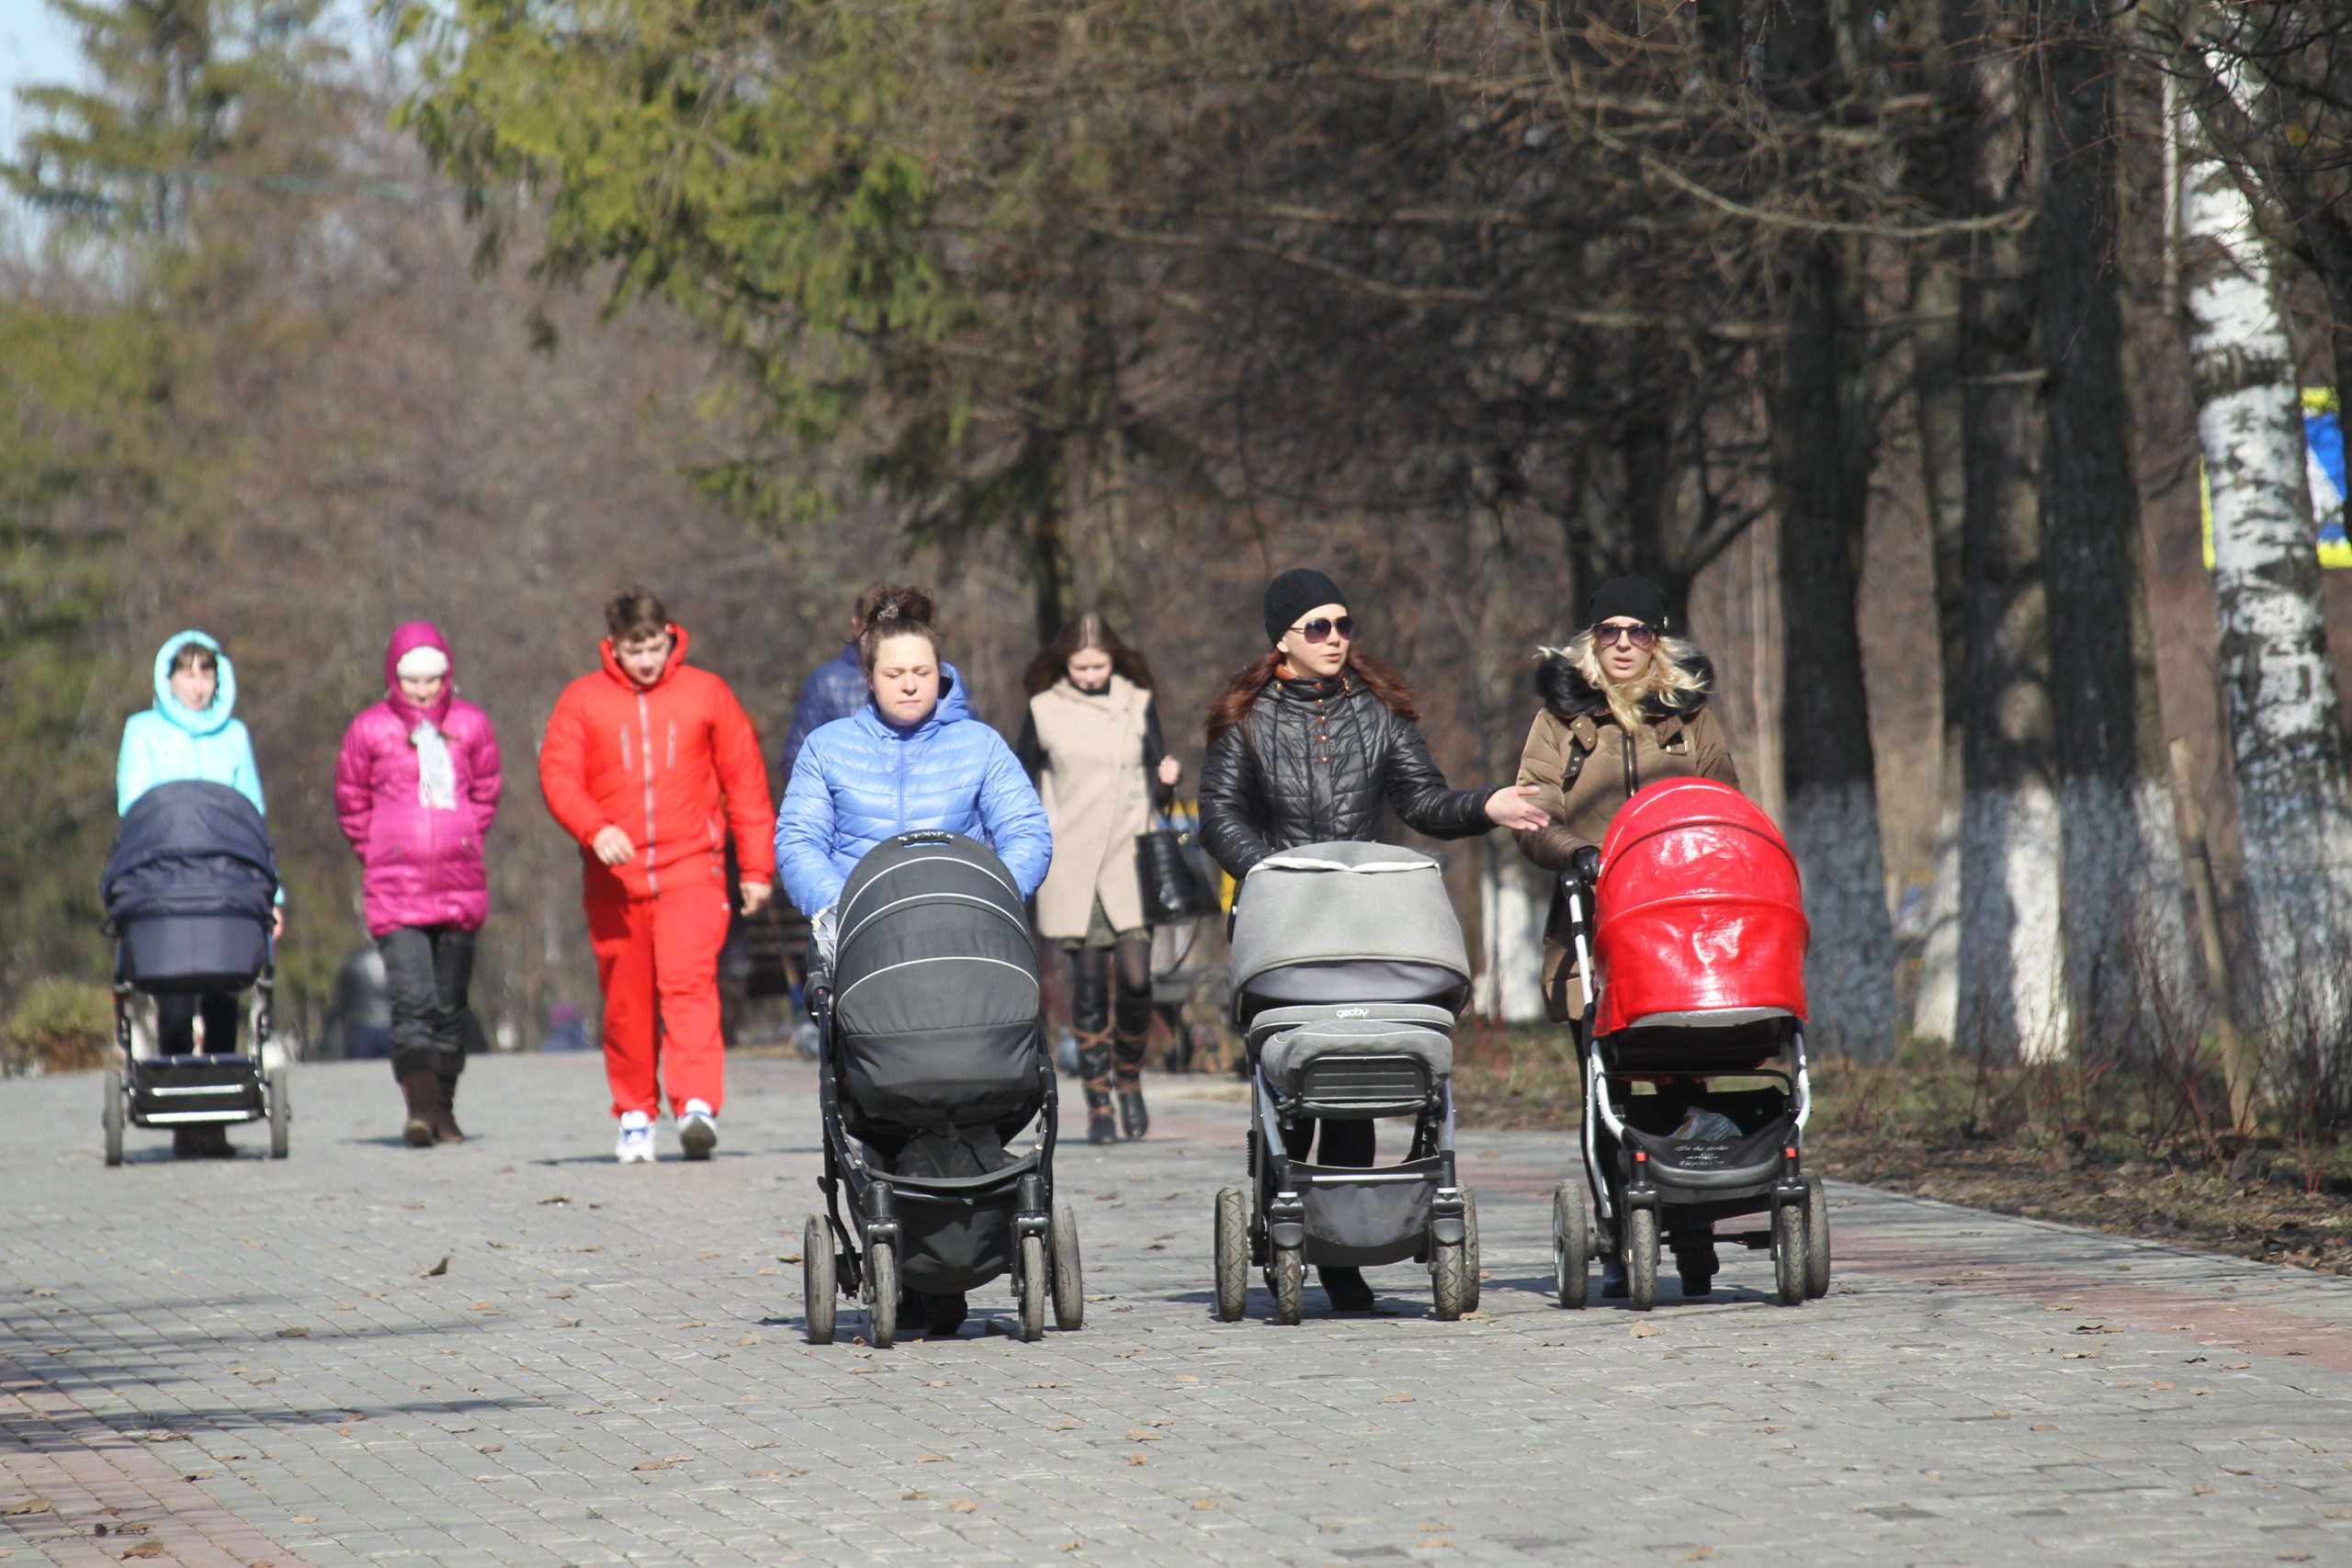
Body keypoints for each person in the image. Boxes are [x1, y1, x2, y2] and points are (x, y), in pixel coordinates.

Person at [1199, 568, 1547, 1312]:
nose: (1335, 639)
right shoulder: (1245, 719)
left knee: (1355, 1078)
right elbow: (1219, 817)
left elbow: (1421, 798)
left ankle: (1344, 1252)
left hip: (1367, 926)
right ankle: (1292, 1221)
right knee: (1295, 1096)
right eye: (1318, 627)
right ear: (1284, 640)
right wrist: (1273, 875)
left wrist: (1489, 802)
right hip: (1287, 930)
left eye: (1343, 624)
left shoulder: (1378, 713)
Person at [775, 584, 1050, 1338]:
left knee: (977, 1073)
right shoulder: (831, 749)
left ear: (941, 671)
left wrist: (990, 891)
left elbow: (1025, 830)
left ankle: (962, 1225)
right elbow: (797, 840)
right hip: (865, 949)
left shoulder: (979, 747)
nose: (907, 684)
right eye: (893, 673)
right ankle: (911, 1235)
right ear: (868, 674)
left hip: (963, 943)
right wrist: (848, 906)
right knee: (875, 1089)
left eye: (921, 672)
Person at [1513, 572, 1739, 1295]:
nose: (1621, 643)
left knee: (1681, 1078)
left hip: (1682, 932)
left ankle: (1695, 1235)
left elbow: (1725, 802)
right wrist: (1575, 851)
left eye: (1636, 631)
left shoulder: (1691, 717)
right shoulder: (1560, 720)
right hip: (1592, 924)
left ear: (1657, 639)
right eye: (1607, 631)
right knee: (1605, 1086)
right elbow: (1533, 811)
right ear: (1590, 639)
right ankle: (1620, 1232)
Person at [540, 590, 776, 1164]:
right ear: (613, 646)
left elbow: (744, 782)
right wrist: (595, 830)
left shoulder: (707, 693)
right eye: (633, 648)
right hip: (613, 880)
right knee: (627, 1003)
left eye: (654, 645)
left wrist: (757, 867)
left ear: (670, 635)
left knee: (689, 986)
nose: (645, 658)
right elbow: (558, 775)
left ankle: (696, 1104)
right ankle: (636, 1114)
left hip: (692, 867)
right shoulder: (582, 700)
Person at [116, 630, 284, 1158]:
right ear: (168, 680)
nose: (197, 684)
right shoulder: (142, 732)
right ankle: (181, 1113)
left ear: (218, 678)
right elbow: (136, 807)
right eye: (187, 673)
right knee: (173, 1000)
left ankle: (218, 1116)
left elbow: (251, 814)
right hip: (166, 881)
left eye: (206, 672)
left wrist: (273, 895)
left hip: (224, 885)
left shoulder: (233, 736)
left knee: (222, 998)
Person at [334, 624, 503, 1148]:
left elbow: (487, 791)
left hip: (459, 884)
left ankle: (445, 1107)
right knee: (413, 1001)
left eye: (433, 680)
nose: (425, 691)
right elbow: (351, 802)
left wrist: (464, 838)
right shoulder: (369, 730)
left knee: (451, 1004)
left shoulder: (471, 725)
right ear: (394, 678)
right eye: (413, 681)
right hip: (396, 889)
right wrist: (382, 848)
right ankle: (421, 1110)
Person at [1015, 613, 1180, 1145]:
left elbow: (1158, 785)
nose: (1089, 674)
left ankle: (1129, 1076)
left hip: (1131, 856)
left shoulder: (1137, 702)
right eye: (1080, 665)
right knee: (1087, 985)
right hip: (1073, 858)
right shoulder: (1043, 710)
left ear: (1114, 659)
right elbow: (1018, 782)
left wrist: (1168, 782)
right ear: (1064, 662)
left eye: (1099, 664)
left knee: (1136, 979)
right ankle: (1099, 1104)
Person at [778, 582, 889, 783]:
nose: (882, 642)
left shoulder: (933, 679)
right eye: (873, 631)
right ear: (857, 626)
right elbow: (796, 762)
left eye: (890, 631)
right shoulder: (826, 682)